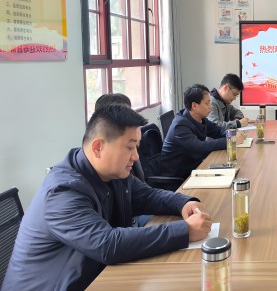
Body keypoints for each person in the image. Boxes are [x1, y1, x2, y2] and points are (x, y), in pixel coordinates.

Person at [2, 105, 212, 291]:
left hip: (96, 276)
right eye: (130, 147)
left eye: (136, 147)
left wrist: (183, 202)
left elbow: (147, 195)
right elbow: (108, 244)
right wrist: (184, 231)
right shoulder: (62, 192)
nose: (136, 156)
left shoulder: (112, 172)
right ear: (98, 147)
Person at [161, 84, 245, 179]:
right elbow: (200, 147)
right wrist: (231, 140)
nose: (210, 107)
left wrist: (233, 134)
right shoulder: (180, 126)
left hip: (195, 169)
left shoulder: (200, 118)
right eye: (207, 103)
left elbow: (217, 131)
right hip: (179, 177)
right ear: (194, 106)